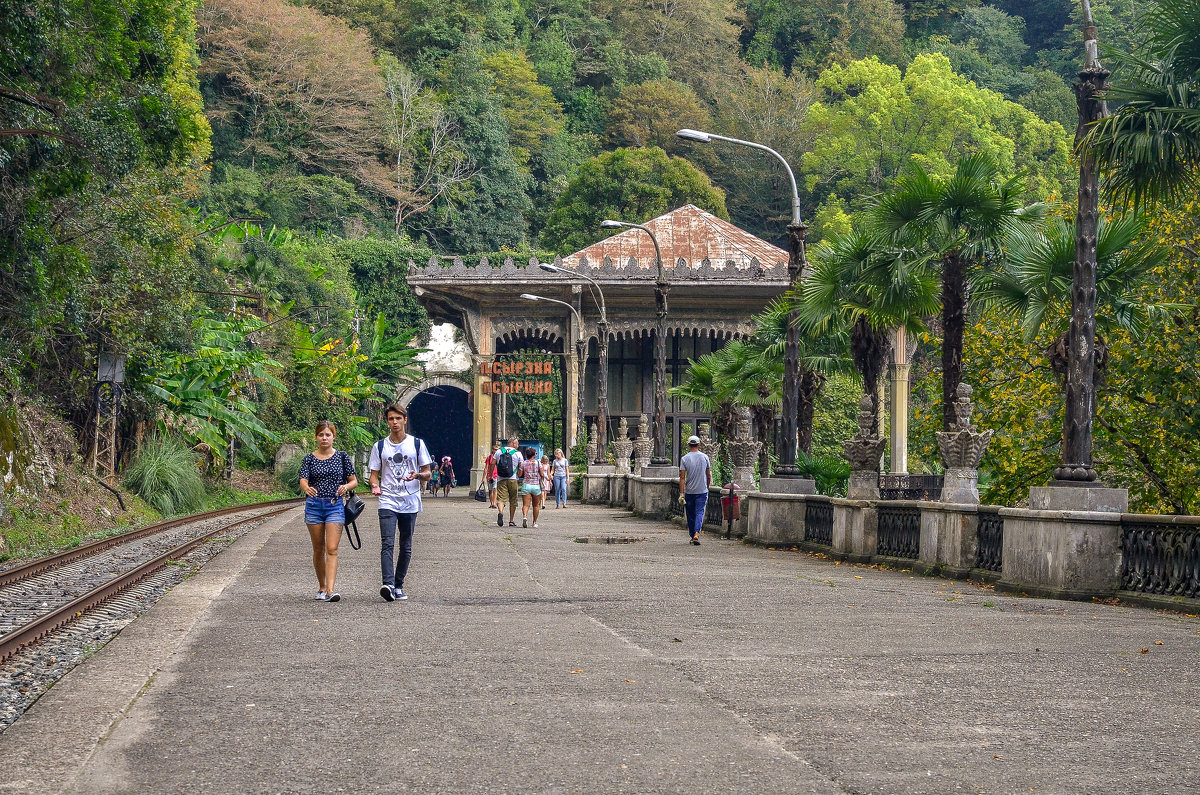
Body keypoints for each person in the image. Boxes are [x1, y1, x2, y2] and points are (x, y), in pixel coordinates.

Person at [369, 404, 432, 602]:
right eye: (390, 419)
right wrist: (375, 486)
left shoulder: (417, 444)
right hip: (387, 500)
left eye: (398, 418)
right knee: (387, 542)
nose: (394, 422)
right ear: (386, 421)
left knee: (406, 545)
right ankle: (387, 583)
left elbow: (428, 473)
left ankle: (398, 584)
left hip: (410, 501)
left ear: (405, 420)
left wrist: (418, 475)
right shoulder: (380, 446)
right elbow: (373, 475)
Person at [298, 421, 357, 602]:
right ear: (316, 437)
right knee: (318, 548)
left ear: (333, 436)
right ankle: (322, 587)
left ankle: (331, 590)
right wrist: (306, 488)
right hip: (314, 506)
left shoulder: (341, 456)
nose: (324, 438)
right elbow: (303, 479)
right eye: (321, 435)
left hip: (335, 505)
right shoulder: (309, 458)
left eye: (328, 435)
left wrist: (345, 487)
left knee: (332, 548)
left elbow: (353, 480)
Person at [678, 434, 712, 546]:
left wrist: (681, 493)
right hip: (702, 490)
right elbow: (708, 475)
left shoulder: (684, 458)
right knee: (700, 512)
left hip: (689, 491)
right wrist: (707, 486)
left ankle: (693, 534)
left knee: (690, 514)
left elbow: (682, 477)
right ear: (699, 445)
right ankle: (697, 532)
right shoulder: (705, 457)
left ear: (688, 445)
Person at [494, 436, 522, 528]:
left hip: (501, 478)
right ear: (513, 443)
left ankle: (501, 512)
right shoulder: (517, 453)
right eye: (517, 443)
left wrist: (491, 474)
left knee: (501, 498)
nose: (517, 445)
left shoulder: (499, 451)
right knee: (513, 499)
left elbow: (492, 463)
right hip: (513, 478)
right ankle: (511, 520)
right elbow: (521, 466)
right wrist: (519, 473)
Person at [518, 446, 543, 528]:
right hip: (536, 485)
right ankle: (534, 522)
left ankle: (525, 516)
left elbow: (520, 474)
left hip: (526, 485)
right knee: (536, 505)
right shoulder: (538, 463)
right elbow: (542, 474)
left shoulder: (523, 463)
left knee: (526, 505)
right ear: (534, 455)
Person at [484, 443, 500, 508]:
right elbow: (486, 467)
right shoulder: (489, 457)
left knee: (495, 489)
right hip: (489, 476)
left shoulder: (499, 458)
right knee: (490, 490)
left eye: (497, 450)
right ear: (492, 450)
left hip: (496, 475)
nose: (496, 451)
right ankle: (491, 503)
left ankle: (494, 503)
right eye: (495, 450)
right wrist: (483, 477)